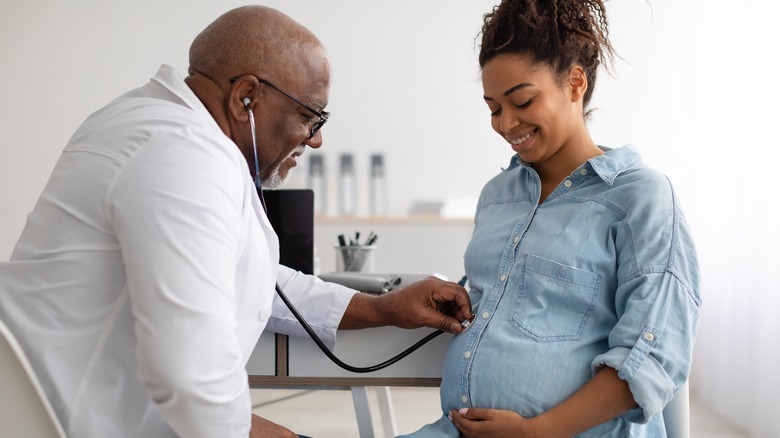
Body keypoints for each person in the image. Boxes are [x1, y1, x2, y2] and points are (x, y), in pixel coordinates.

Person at [0, 6, 472, 438]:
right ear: (245, 98)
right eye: (310, 118)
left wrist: (384, 308)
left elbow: (250, 278)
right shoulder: (182, 157)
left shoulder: (159, 127)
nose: (315, 141)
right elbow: (194, 380)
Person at [402, 0, 701, 437]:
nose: (505, 124)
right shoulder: (497, 196)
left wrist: (536, 431)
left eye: (521, 100)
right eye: (492, 108)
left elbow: (651, 355)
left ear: (575, 83)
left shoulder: (642, 198)